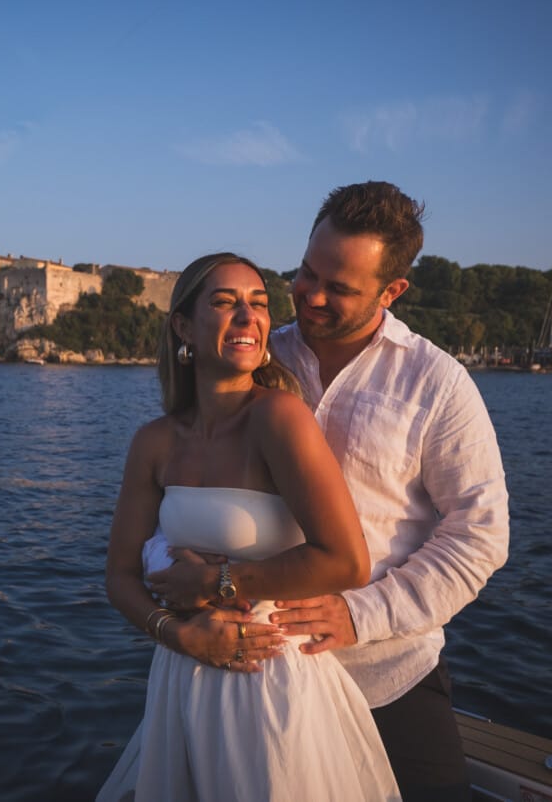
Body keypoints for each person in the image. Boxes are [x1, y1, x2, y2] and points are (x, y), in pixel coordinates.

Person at [155, 181, 510, 801]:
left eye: (339, 287)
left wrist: (359, 614)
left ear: (391, 290)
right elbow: (179, 483)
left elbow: (480, 538)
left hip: (384, 675)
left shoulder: (438, 385)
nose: (312, 295)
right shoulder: (251, 356)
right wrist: (171, 563)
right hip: (248, 672)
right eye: (306, 272)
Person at [97, 253, 401, 802]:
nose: (249, 317)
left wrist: (217, 584)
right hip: (181, 678)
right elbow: (118, 577)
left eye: (259, 304)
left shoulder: (279, 417)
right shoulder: (155, 442)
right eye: (224, 302)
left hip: (268, 684)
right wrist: (179, 632)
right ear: (184, 327)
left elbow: (347, 561)